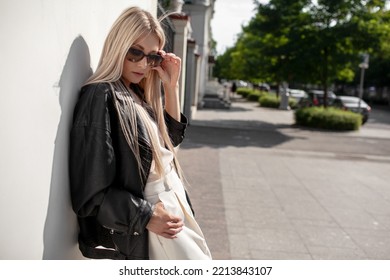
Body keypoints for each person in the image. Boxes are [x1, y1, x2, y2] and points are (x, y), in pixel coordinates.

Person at [69, 6, 212, 260]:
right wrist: (146, 217)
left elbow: (169, 141)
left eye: (153, 57)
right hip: (147, 221)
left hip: (172, 206)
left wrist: (171, 87)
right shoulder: (100, 96)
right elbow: (90, 194)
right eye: (136, 52)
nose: (144, 64)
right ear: (119, 46)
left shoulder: (135, 93)